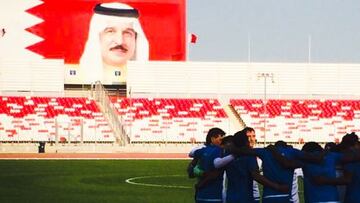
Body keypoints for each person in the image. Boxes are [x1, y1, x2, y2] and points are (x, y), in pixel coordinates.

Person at [79, 2, 149, 84]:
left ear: (136, 40)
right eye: (110, 31)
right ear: (97, 37)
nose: (120, 41)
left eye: (127, 33)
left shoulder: (151, 82)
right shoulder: (77, 78)